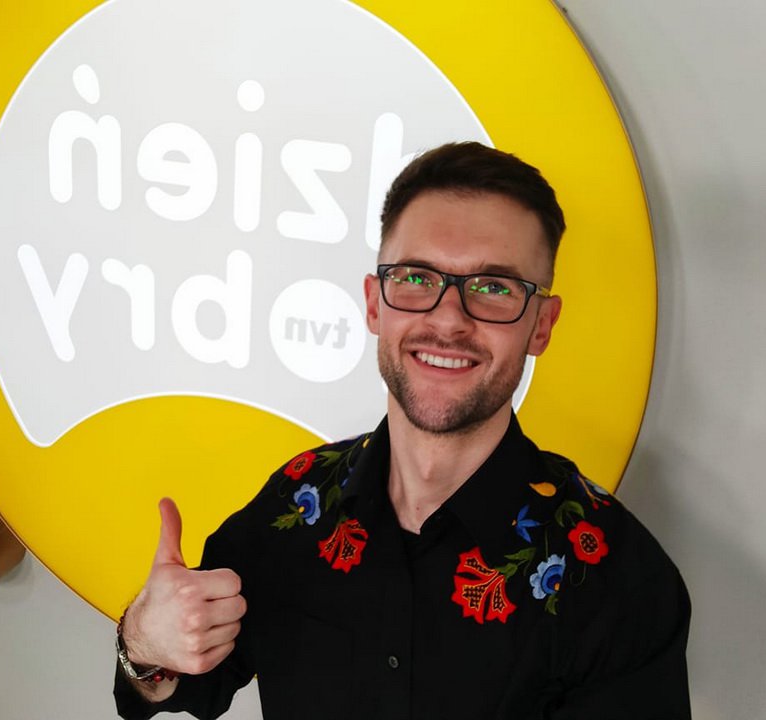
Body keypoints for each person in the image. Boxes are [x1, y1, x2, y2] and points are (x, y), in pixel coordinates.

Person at [113, 142, 691, 719]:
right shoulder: (294, 504)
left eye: (494, 287)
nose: (448, 319)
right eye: (416, 277)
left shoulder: (619, 578)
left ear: (541, 325)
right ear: (374, 304)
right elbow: (173, 683)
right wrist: (144, 641)